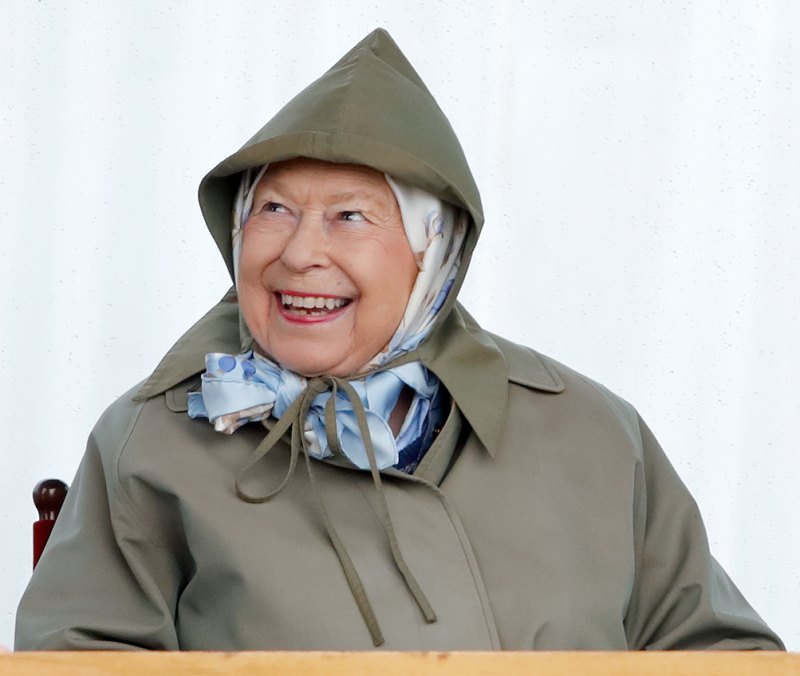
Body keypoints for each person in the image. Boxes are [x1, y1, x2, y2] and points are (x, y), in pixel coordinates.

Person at [15, 28, 783, 651]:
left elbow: (719, 657)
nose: (297, 252)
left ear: (434, 255)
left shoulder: (591, 434)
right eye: (274, 210)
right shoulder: (151, 442)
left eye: (349, 216)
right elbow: (77, 667)